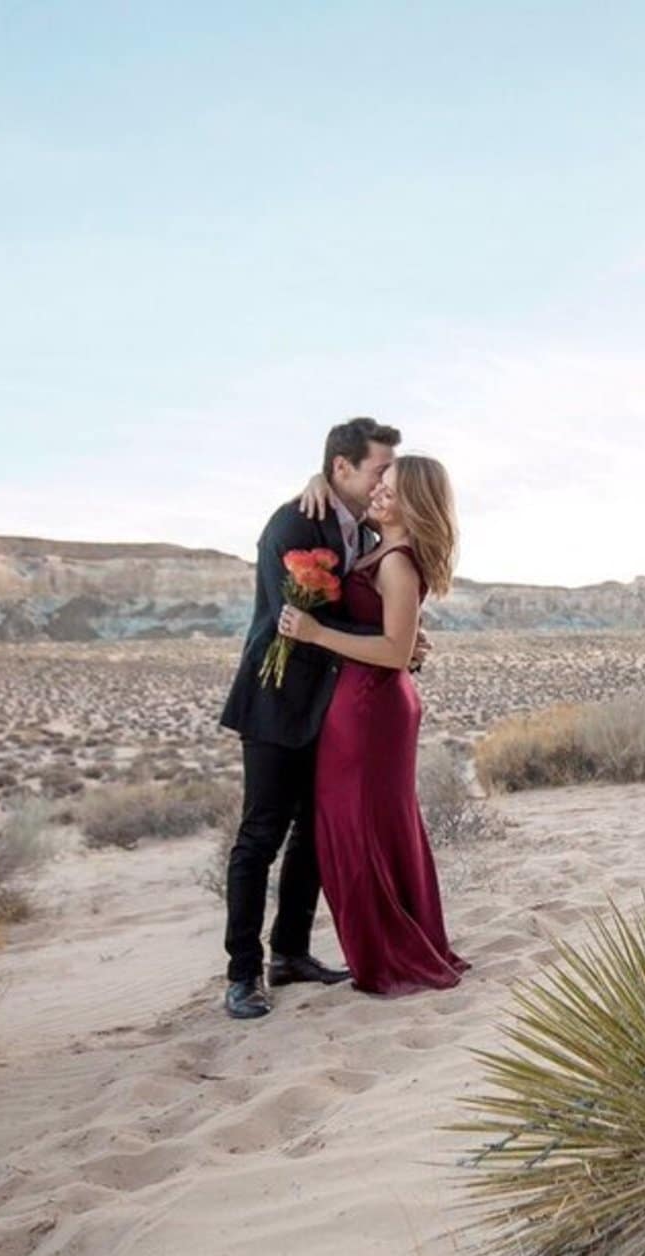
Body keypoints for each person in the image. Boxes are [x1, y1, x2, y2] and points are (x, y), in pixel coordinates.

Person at [216, 417, 427, 1020]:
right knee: (259, 838)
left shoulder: (361, 527)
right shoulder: (293, 523)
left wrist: (403, 636)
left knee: (312, 832)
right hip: (276, 701)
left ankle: (290, 952)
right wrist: (396, 641)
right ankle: (241, 974)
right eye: (379, 469)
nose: (388, 479)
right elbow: (297, 622)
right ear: (342, 468)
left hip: (331, 711)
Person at [277, 455, 468, 995]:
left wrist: (314, 633)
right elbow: (337, 495)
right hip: (361, 705)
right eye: (379, 482)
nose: (379, 492)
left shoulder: (397, 562)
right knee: (363, 826)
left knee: (361, 829)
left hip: (372, 707)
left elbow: (394, 650)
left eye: (391, 487)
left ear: (415, 502)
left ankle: (391, 953)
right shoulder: (376, 544)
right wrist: (316, 478)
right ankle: (389, 945)